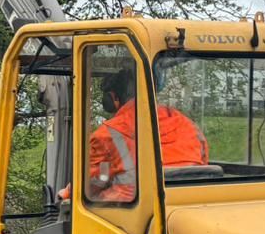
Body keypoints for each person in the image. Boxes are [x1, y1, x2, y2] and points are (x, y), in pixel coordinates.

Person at [76, 66, 208, 202]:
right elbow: (203, 162)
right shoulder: (187, 124)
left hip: (126, 209)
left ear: (113, 98)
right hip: (188, 201)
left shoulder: (106, 134)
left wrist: (65, 194)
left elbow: (89, 183)